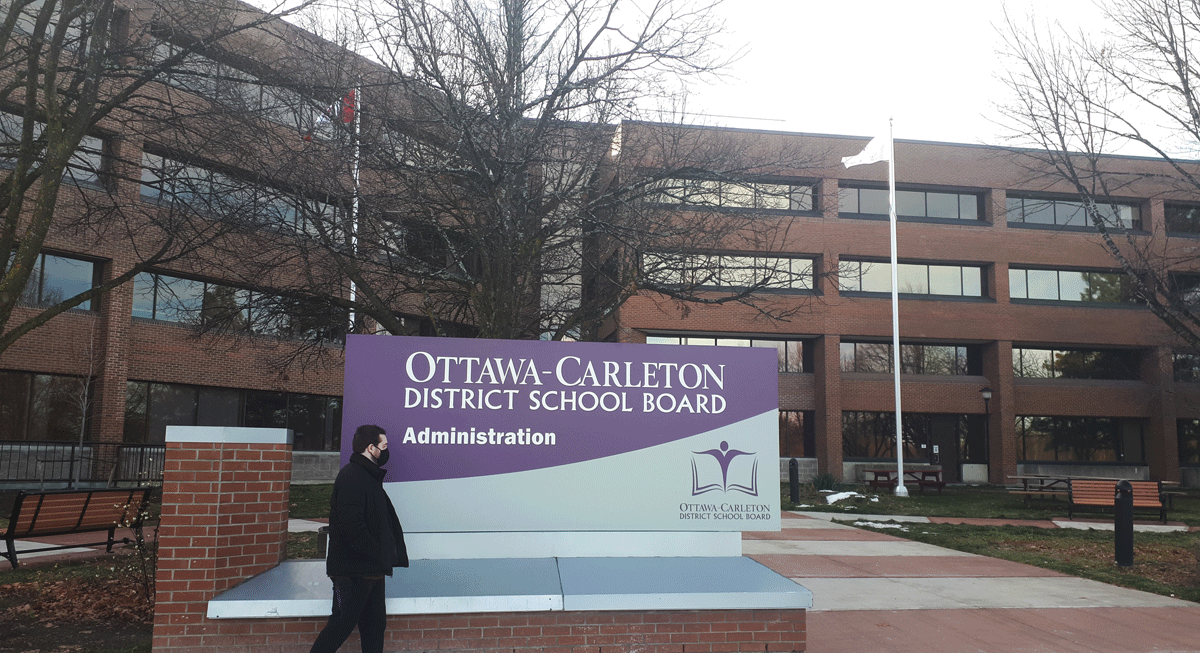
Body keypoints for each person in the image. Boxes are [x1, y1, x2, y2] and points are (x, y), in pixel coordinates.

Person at [309, 424, 408, 653]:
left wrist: (380, 558)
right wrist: (377, 552)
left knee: (375, 628)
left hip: (372, 570)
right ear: (371, 448)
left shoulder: (368, 477)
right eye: (383, 446)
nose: (386, 451)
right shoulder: (352, 477)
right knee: (340, 625)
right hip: (351, 574)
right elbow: (351, 526)